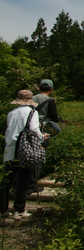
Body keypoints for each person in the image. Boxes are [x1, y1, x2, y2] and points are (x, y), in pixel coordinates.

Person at [1, 90, 49, 220]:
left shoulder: (11, 113)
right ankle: (19, 210)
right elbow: (33, 129)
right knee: (23, 179)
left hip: (10, 149)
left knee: (7, 180)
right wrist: (41, 138)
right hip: (25, 149)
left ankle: (3, 209)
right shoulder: (32, 112)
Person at [30, 79, 60, 194]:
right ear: (51, 89)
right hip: (42, 131)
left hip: (28, 131)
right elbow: (54, 118)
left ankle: (22, 183)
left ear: (39, 87)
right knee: (39, 157)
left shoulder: (31, 99)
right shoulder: (50, 101)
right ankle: (33, 183)